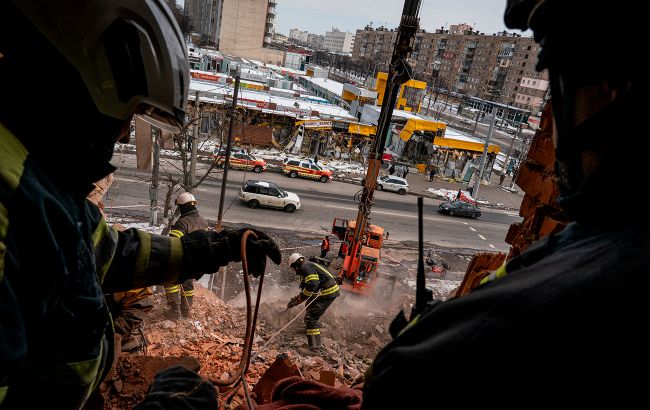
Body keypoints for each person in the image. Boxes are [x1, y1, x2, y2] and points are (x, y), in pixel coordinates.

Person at [361, 0, 649, 406]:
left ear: (613, 93)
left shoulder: (573, 289)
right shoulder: (594, 234)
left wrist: (428, 333)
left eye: (561, 84)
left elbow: (396, 380)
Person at [0, 1, 282, 408]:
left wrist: (215, 249)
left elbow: (110, 255)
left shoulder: (42, 182)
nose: (124, 136)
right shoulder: (9, 197)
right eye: (128, 114)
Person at [163, 192, 209, 320]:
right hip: (197, 261)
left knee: (170, 280)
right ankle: (186, 312)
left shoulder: (183, 223)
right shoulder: (203, 222)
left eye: (180, 207)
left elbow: (172, 244)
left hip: (182, 259)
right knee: (187, 285)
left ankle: (174, 311)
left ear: (183, 207)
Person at [285, 253, 340, 351]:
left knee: (311, 318)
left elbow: (312, 285)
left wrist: (300, 298)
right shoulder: (306, 266)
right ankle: (310, 329)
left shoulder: (305, 268)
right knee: (309, 305)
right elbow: (308, 288)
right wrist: (296, 300)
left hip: (327, 292)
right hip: (325, 290)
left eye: (293, 268)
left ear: (296, 264)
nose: (294, 270)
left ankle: (314, 347)